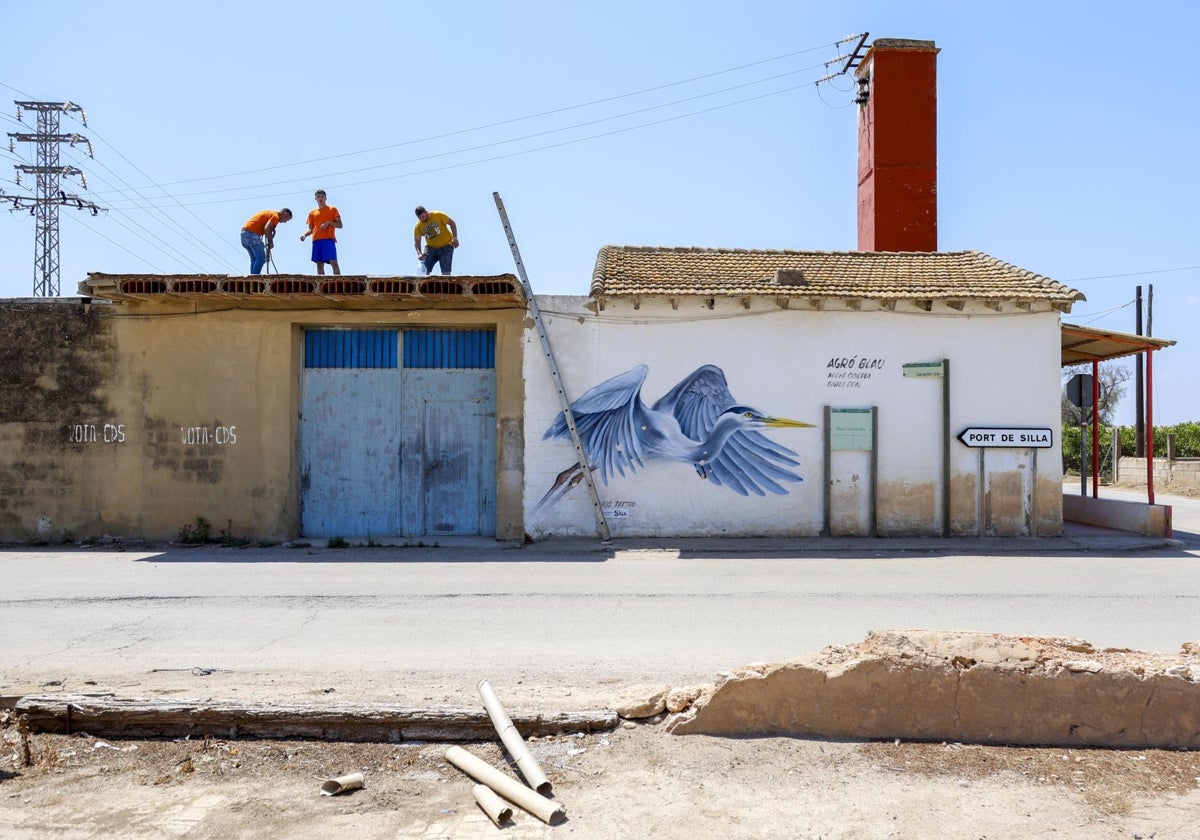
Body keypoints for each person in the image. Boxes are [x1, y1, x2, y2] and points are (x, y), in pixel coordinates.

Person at [299, 190, 343, 275]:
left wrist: (329, 222)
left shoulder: (332, 209)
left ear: (326, 198)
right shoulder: (312, 213)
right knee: (319, 264)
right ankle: (321, 285)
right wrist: (304, 235)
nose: (320, 198)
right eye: (318, 196)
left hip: (328, 239)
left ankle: (338, 282)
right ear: (315, 198)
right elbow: (311, 230)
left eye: (322, 196)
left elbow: (340, 225)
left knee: (333, 262)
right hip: (316, 240)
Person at [241, 208, 292, 274]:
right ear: (285, 214)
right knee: (261, 258)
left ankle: (252, 278)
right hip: (251, 234)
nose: (285, 222)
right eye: (287, 220)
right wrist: (270, 242)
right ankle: (255, 279)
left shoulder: (270, 214)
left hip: (244, 234)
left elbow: (267, 228)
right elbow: (267, 228)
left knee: (254, 259)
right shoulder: (275, 216)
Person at [413, 205, 459, 275]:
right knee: (424, 269)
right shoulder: (418, 225)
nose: (422, 219)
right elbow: (417, 241)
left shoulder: (437, 215)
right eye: (420, 218)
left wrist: (455, 238)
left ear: (426, 212)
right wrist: (419, 253)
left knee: (445, 271)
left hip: (446, 245)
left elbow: (452, 223)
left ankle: (445, 284)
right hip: (431, 248)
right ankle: (424, 284)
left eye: (423, 217)